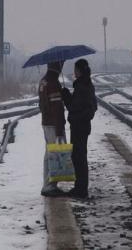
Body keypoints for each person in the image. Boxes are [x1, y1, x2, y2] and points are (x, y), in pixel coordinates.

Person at [61, 59, 97, 199]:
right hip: (80, 126)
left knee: (79, 157)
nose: (74, 72)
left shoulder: (83, 86)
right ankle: (80, 187)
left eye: (76, 69)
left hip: (80, 127)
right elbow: (76, 106)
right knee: (78, 156)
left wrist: (66, 96)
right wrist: (67, 95)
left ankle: (81, 189)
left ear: (80, 71)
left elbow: (83, 108)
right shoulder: (84, 85)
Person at [38, 60, 66, 196]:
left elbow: (41, 104)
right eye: (61, 65)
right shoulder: (54, 83)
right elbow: (57, 109)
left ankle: (46, 184)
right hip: (54, 123)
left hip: (46, 121)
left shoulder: (43, 81)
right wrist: (60, 128)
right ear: (57, 67)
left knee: (48, 153)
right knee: (54, 154)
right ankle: (50, 186)